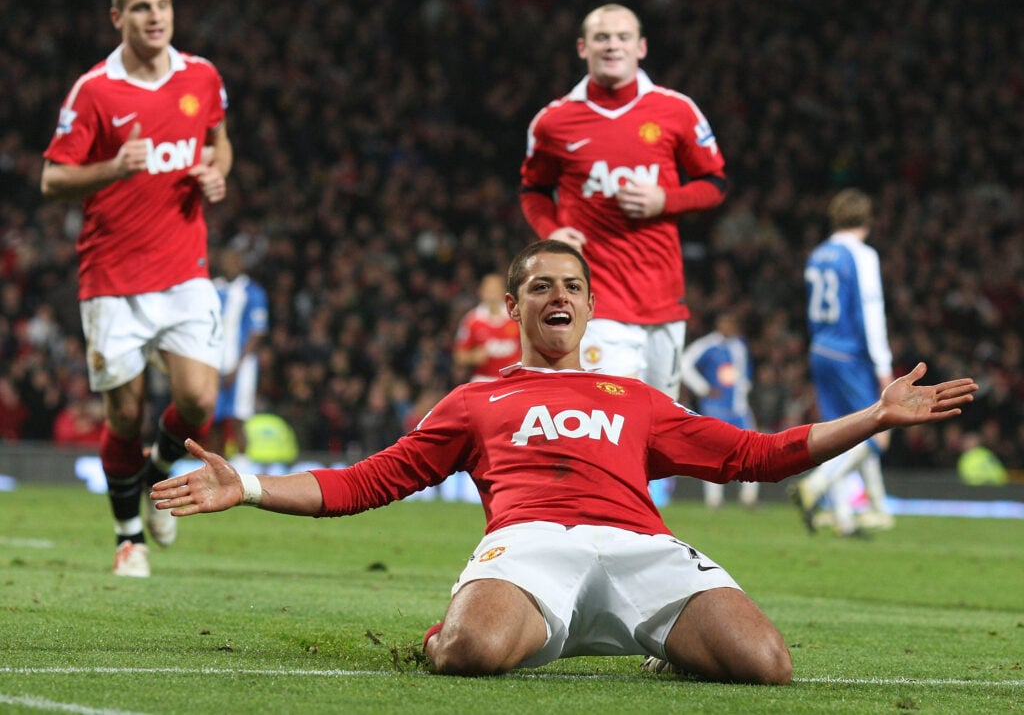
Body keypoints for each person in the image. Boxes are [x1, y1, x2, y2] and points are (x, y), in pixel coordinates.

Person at [152, 240, 976, 684]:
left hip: (639, 547)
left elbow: (757, 456)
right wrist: (250, 484)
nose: (559, 295)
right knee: (470, 656)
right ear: (512, 306)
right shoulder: (474, 400)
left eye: (572, 286)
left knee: (766, 667)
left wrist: (873, 416)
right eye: (540, 284)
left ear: (588, 306)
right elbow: (368, 481)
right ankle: (458, 625)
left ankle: (652, 640)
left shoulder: (637, 398)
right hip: (531, 545)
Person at [40, 0, 233, 577]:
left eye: (164, 5)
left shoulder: (201, 77)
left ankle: (157, 475)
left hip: (183, 270)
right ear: (118, 16)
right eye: (143, 7)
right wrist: (112, 168)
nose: (156, 17)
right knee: (124, 417)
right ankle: (129, 538)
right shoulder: (94, 91)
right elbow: (53, 179)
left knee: (198, 398)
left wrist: (215, 174)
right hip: (112, 276)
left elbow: (219, 145)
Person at [519, 3, 728, 505]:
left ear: (641, 47)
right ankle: (592, 521)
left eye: (622, 37)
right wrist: (554, 230)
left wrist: (666, 200)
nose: (612, 45)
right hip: (599, 299)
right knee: (605, 420)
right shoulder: (554, 121)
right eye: (601, 37)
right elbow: (532, 190)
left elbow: (714, 183)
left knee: (658, 426)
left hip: (662, 300)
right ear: (583, 48)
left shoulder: (676, 110)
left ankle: (634, 524)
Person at [790, 189, 894, 537]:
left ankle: (849, 518)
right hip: (850, 353)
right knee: (872, 429)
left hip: (821, 349)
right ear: (868, 220)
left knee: (837, 431)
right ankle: (816, 485)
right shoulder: (861, 255)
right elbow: (871, 310)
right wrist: (883, 366)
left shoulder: (818, 254)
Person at [436, 272, 520, 503]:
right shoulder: (472, 320)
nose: (491, 293)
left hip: (513, 385)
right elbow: (460, 356)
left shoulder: (517, 318)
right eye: (488, 288)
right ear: (481, 292)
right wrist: (476, 355)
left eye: (496, 288)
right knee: (486, 438)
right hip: (483, 385)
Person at [678, 312, 758, 509]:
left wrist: (744, 393)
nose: (728, 327)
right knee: (714, 452)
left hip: (738, 409)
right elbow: (684, 363)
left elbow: (743, 375)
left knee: (753, 449)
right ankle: (714, 499)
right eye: (725, 322)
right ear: (718, 325)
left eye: (732, 323)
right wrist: (703, 389)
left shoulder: (739, 346)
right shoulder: (707, 345)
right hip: (716, 408)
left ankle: (749, 498)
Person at [211, 246, 269, 459]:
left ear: (242, 264)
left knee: (238, 420)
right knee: (214, 421)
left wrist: (237, 366)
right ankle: (216, 469)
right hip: (214, 364)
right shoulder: (212, 289)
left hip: (242, 366)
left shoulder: (252, 292)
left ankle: (242, 471)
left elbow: (257, 332)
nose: (229, 264)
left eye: (234, 260)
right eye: (226, 260)